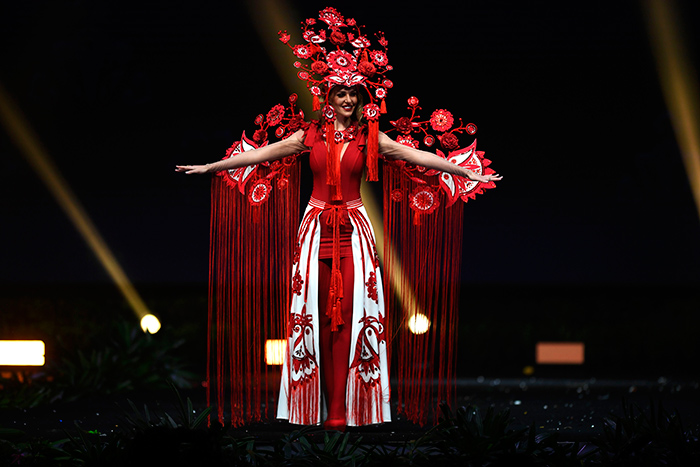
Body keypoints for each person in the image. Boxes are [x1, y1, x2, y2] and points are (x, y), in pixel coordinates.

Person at [176, 7, 501, 430]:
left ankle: (343, 412)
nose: (347, 101)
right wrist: (210, 167)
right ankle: (313, 408)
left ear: (363, 99)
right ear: (326, 99)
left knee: (353, 318)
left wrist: (464, 171)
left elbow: (416, 155)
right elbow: (260, 154)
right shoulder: (307, 136)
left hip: (354, 231)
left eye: (354, 95)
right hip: (314, 231)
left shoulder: (372, 137)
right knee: (310, 319)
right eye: (339, 95)